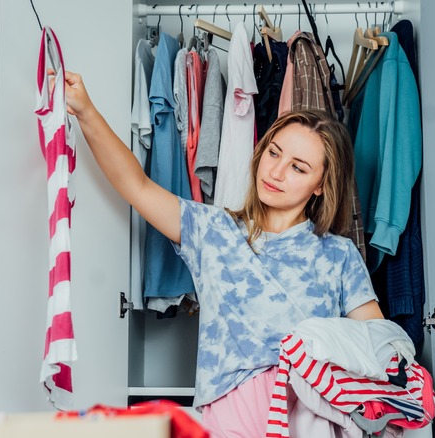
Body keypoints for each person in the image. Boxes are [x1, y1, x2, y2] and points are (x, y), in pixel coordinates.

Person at [61, 71, 384, 436]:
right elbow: (136, 185)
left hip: (312, 415)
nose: (276, 172)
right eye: (274, 153)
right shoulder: (212, 230)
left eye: (298, 167)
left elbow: (379, 348)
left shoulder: (339, 255)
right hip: (230, 412)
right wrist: (85, 111)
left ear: (321, 185)